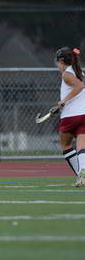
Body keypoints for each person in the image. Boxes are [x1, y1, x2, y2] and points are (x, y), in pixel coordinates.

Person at [54, 46, 85, 187]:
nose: (57, 66)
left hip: (71, 117)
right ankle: (83, 171)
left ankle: (80, 173)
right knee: (81, 147)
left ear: (61, 61)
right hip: (83, 115)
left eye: (57, 63)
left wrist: (63, 101)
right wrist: (59, 106)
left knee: (66, 146)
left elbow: (79, 87)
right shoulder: (80, 72)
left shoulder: (67, 74)